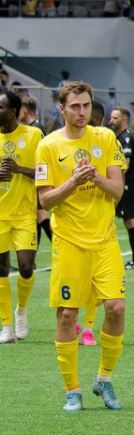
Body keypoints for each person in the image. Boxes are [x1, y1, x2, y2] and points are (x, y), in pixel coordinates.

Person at [34, 81, 128, 411]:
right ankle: (71, 388)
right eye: (75, 106)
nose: (82, 112)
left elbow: (117, 191)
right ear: (62, 109)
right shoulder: (48, 146)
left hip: (104, 241)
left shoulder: (105, 138)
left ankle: (104, 380)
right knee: (67, 316)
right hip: (69, 242)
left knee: (116, 308)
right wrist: (72, 182)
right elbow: (46, 200)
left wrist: (94, 178)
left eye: (86, 105)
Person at [0, 89, 41, 344]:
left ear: (14, 111)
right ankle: (5, 326)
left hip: (25, 213)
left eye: (1, 107)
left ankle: (21, 311)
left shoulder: (34, 135)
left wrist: (19, 169)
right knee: (1, 269)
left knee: (26, 267)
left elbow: (47, 172)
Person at [108, 106, 134, 270]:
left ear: (124, 120)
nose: (111, 121)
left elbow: (125, 165)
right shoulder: (118, 137)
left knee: (128, 220)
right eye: (111, 117)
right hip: (122, 184)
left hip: (125, 184)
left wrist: (117, 186)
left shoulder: (126, 138)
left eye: (115, 118)